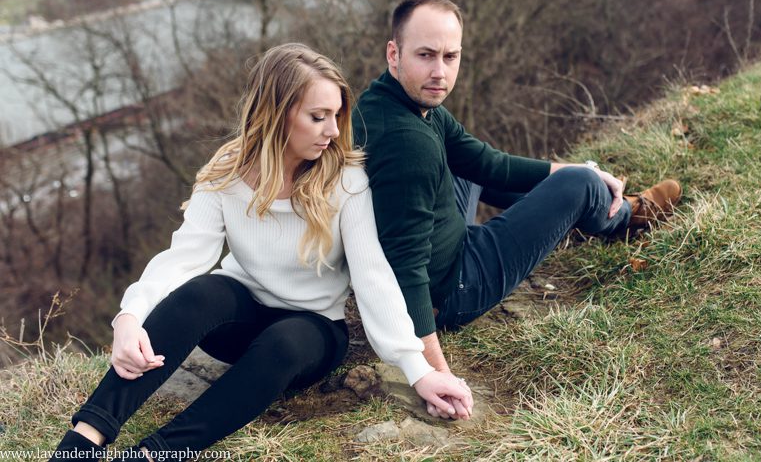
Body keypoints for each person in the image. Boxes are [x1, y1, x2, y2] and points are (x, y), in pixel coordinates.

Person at [51, 43, 473, 461]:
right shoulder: (227, 171)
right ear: (277, 114)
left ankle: (154, 454)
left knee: (283, 343)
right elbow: (184, 257)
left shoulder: (346, 181)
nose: (332, 131)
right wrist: (129, 317)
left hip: (310, 333)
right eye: (318, 117)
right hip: (239, 320)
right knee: (199, 292)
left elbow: (372, 277)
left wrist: (419, 370)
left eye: (336, 116)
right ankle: (83, 440)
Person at [352, 0, 681, 419]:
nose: (440, 72)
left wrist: (580, 167)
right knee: (578, 186)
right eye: (426, 55)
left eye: (450, 57)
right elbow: (407, 263)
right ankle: (626, 216)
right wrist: (434, 372)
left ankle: (566, 212)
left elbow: (487, 163)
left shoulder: (392, 100)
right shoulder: (408, 143)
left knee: (478, 167)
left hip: (442, 246)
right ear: (393, 53)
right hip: (454, 287)